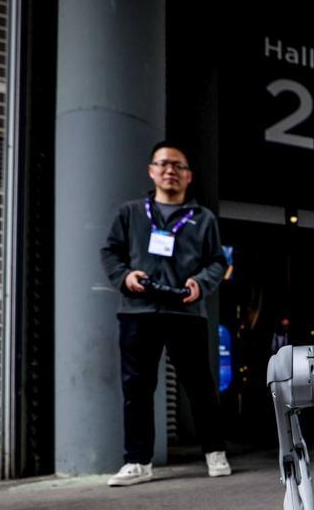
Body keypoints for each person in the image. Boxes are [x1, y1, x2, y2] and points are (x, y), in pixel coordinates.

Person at [99, 142, 232, 486]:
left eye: (178, 166)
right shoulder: (130, 213)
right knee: (137, 387)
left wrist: (202, 283)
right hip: (138, 312)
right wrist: (125, 277)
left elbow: (218, 261)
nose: (170, 170)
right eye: (163, 164)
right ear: (151, 170)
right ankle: (137, 461)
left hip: (186, 313)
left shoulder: (203, 219)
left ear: (188, 176)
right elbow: (111, 253)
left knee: (200, 385)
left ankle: (215, 452)